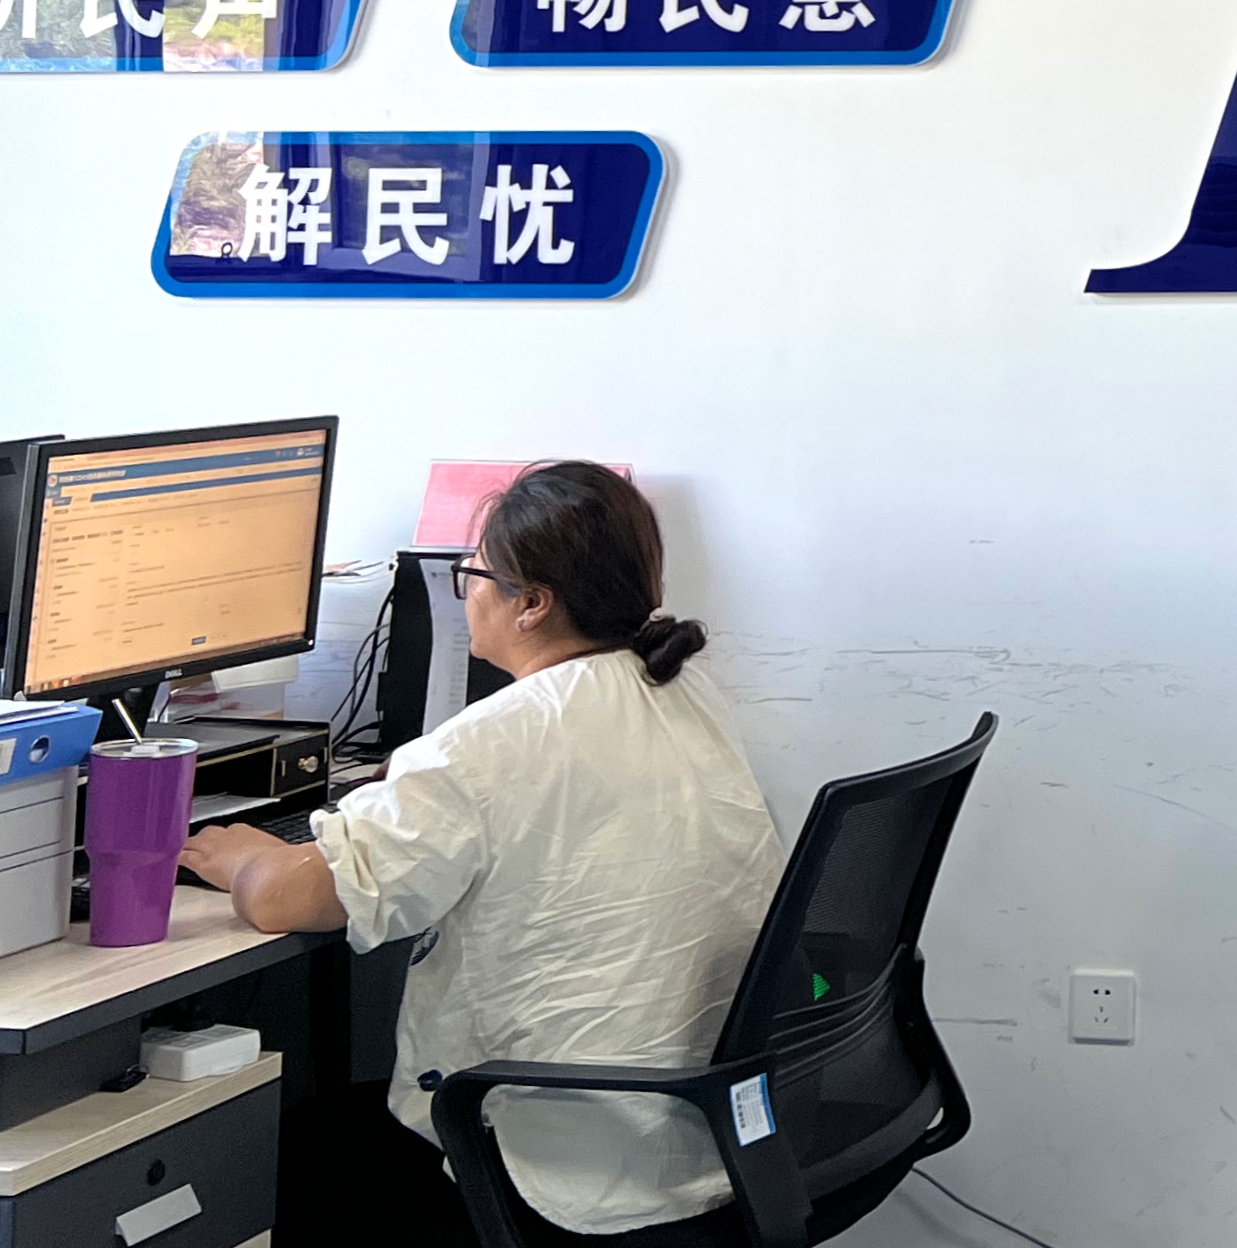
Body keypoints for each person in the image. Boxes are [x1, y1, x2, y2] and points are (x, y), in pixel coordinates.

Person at [179, 463, 787, 1245]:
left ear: (531, 603)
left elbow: (286, 900)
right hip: (706, 1134)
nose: (467, 594)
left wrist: (238, 855)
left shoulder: (495, 741)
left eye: (474, 575)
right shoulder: (681, 689)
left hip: (567, 1164)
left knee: (300, 1148)